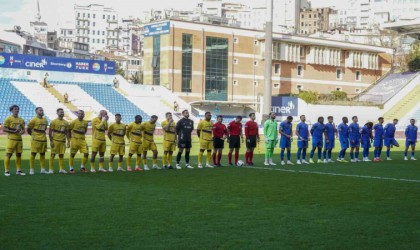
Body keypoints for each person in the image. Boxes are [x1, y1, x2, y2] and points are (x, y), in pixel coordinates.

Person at [3, 105, 26, 176]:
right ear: (12, 110)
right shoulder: (8, 119)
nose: (17, 110)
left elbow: (23, 130)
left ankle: (18, 171)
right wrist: (14, 132)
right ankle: (6, 171)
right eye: (15, 109)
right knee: (8, 155)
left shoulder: (21, 120)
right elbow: (4, 129)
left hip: (19, 140)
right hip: (11, 140)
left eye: (18, 109)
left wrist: (21, 132)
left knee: (19, 155)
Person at [27, 107, 49, 174]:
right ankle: (31, 169)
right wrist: (33, 135)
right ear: (36, 112)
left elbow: (44, 129)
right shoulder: (33, 120)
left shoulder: (45, 120)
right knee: (33, 153)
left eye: (42, 110)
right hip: (35, 139)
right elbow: (28, 129)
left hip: (43, 139)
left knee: (42, 154)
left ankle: (42, 169)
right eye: (40, 110)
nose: (42, 111)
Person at [48, 108, 70, 174]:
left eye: (62, 112)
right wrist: (51, 141)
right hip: (55, 141)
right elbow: (50, 132)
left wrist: (68, 141)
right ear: (57, 113)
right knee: (53, 155)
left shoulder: (66, 122)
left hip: (63, 141)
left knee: (61, 155)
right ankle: (51, 169)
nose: (62, 113)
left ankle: (61, 169)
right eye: (60, 112)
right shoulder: (53, 121)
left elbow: (67, 133)